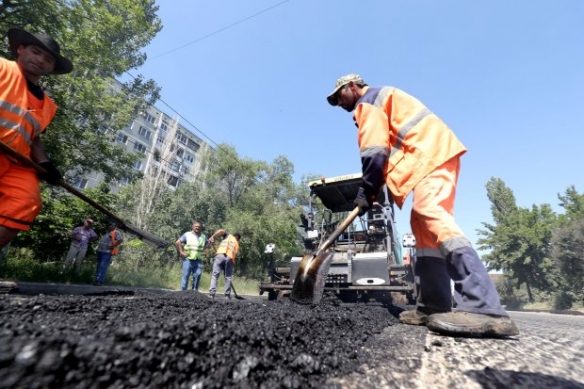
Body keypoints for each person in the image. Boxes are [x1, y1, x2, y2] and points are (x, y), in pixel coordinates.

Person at [326, 74, 519, 337]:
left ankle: (483, 306)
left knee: (431, 213)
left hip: (430, 156)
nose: (338, 103)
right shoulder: (381, 99)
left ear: (352, 87)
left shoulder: (369, 102)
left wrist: (367, 191)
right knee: (421, 225)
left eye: (339, 96)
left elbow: (374, 151)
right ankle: (432, 305)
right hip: (427, 158)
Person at [0, 28, 73, 251]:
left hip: (16, 163)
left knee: (26, 202)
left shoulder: (48, 106)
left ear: (52, 68)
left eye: (48, 59)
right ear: (20, 49)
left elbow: (33, 138)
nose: (40, 60)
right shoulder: (3, 68)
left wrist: (45, 164)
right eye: (35, 51)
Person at [175, 221, 212, 292]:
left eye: (199, 227)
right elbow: (178, 242)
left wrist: (207, 247)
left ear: (201, 228)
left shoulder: (203, 236)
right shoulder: (187, 234)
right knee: (185, 277)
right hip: (188, 259)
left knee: (198, 276)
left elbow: (208, 243)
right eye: (196, 226)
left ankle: (194, 293)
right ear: (193, 227)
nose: (197, 228)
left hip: (198, 260)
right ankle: (183, 293)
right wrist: (181, 252)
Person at [207, 229, 241, 299]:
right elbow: (233, 257)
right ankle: (227, 296)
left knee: (215, 275)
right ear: (238, 239)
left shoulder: (228, 236)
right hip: (230, 258)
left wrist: (213, 237)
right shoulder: (237, 244)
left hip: (220, 256)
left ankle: (211, 294)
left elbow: (221, 231)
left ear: (234, 235)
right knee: (228, 277)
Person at [94, 222, 124, 286]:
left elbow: (121, 240)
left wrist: (113, 246)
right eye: (109, 225)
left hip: (107, 252)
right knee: (98, 266)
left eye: (111, 225)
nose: (109, 226)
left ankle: (99, 281)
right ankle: (96, 280)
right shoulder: (107, 232)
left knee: (103, 266)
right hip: (100, 251)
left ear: (114, 226)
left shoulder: (116, 232)